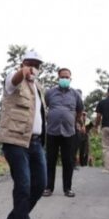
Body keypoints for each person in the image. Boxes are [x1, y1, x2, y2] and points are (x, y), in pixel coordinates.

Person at [0, 50, 47, 219]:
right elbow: (15, 79)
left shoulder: (39, 88)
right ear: (22, 63)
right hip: (15, 142)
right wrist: (22, 72)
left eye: (37, 65)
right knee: (23, 185)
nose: (33, 68)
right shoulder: (13, 80)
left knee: (40, 184)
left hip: (35, 143)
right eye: (29, 63)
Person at [43, 68, 84, 197]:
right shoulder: (49, 93)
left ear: (70, 79)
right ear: (58, 78)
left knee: (68, 161)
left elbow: (80, 111)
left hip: (69, 132)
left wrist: (75, 122)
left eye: (67, 77)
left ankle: (68, 188)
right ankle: (48, 187)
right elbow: (44, 107)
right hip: (52, 131)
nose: (64, 79)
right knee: (50, 160)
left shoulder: (75, 94)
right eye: (62, 77)